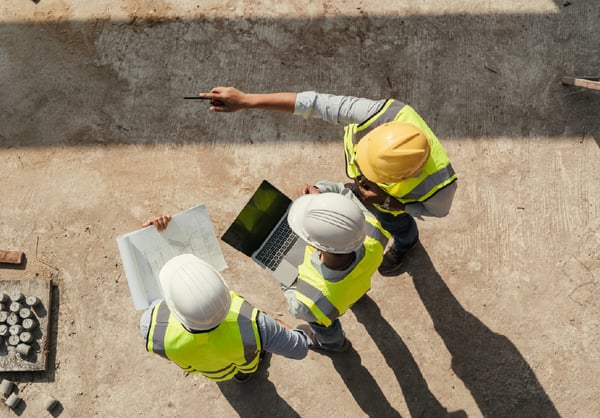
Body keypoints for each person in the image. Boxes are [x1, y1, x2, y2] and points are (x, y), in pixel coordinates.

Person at [198, 87, 457, 276]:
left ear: (401, 177)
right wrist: (246, 100)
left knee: (397, 225)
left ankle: (406, 244)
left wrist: (391, 202)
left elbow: (436, 212)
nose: (360, 177)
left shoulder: (440, 188)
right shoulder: (379, 113)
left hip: (392, 205)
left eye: (370, 174)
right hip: (383, 195)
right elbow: (313, 103)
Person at [139, 216, 312, 383]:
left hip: (210, 371)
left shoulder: (151, 327)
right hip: (245, 361)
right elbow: (299, 349)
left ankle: (237, 376)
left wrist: (150, 239)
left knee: (218, 369)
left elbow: (151, 296)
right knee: (246, 365)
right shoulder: (257, 325)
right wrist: (278, 328)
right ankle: (244, 375)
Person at [282, 182, 391, 352]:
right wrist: (322, 197)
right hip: (355, 285)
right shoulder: (373, 230)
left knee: (324, 327)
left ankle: (333, 344)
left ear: (315, 246)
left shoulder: (310, 303)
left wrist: (284, 275)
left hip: (329, 306)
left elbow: (296, 309)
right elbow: (344, 194)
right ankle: (356, 298)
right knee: (352, 289)